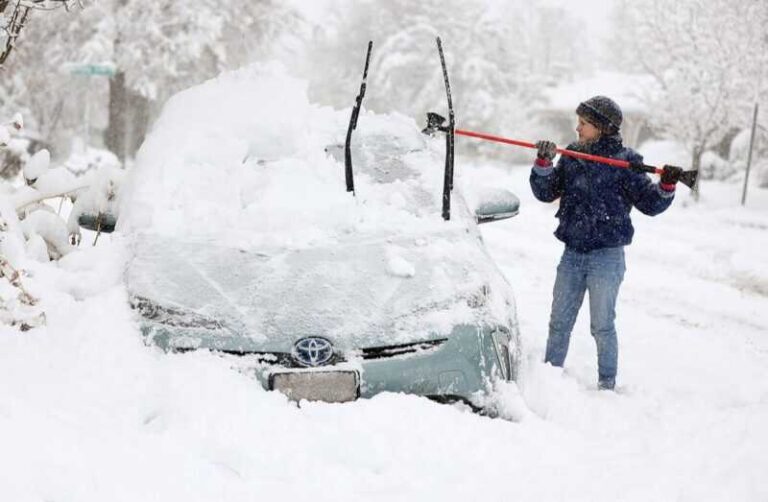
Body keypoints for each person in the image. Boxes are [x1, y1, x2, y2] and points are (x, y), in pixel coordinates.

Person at [530, 95, 683, 390]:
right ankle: (549, 381)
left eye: (584, 124)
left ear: (602, 127)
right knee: (559, 323)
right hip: (572, 254)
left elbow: (650, 204)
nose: (578, 129)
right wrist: (544, 163)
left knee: (601, 326)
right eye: (579, 123)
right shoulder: (574, 155)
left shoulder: (626, 163)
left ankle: (607, 385)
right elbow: (547, 191)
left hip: (607, 257)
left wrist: (666, 185)